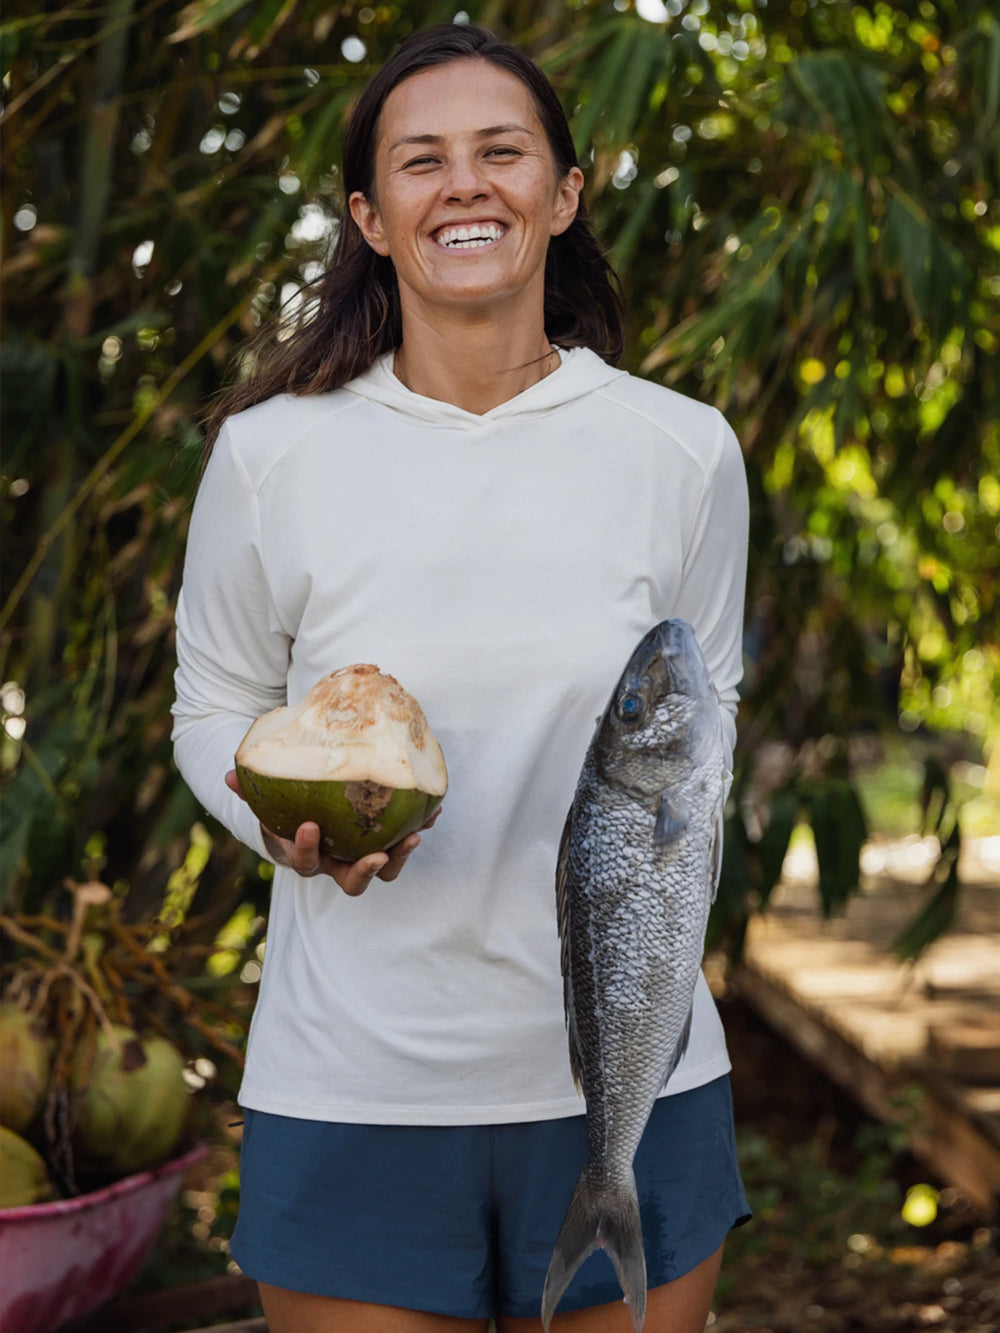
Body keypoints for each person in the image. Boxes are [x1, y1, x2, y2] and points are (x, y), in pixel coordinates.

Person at [171, 21, 750, 1333]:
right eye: (421, 161)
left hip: (635, 1085)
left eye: (503, 151)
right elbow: (210, 705)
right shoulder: (271, 455)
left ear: (565, 192)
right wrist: (281, 825)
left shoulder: (682, 450)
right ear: (373, 217)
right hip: (354, 1085)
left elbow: (700, 742)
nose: (466, 184)